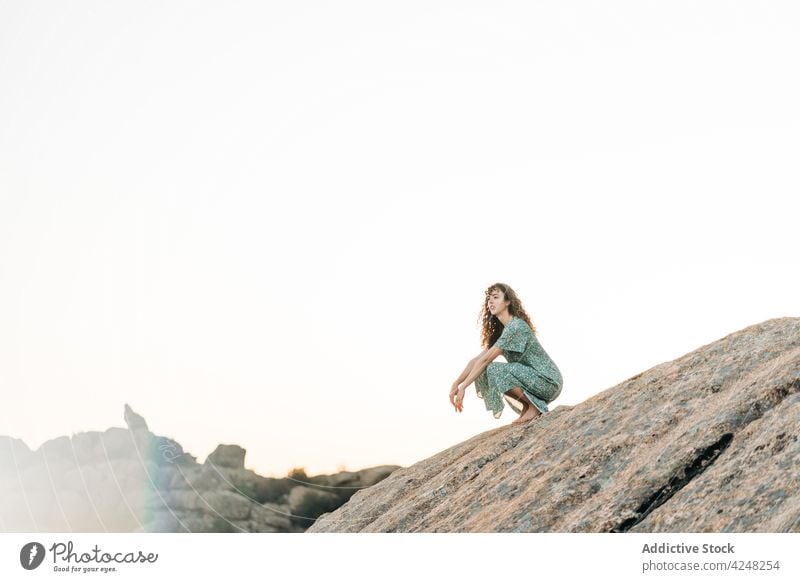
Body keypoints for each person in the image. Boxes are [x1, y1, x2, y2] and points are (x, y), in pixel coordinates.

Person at [449, 282, 564, 425]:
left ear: (508, 301)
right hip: (535, 380)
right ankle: (528, 406)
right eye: (489, 299)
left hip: (548, 381)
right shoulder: (503, 332)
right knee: (484, 370)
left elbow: (485, 361)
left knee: (492, 369)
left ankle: (534, 406)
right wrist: (457, 383)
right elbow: (477, 360)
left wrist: (464, 386)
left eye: (496, 297)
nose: (490, 301)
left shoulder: (515, 327)